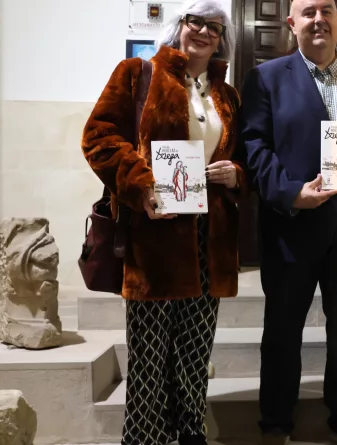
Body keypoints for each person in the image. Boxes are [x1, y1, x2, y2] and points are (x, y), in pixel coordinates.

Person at [81, 1, 244, 444]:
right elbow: (98, 137)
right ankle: (144, 436)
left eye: (215, 27)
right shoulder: (138, 74)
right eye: (197, 22)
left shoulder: (227, 96)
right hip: (154, 234)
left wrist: (236, 174)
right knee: (150, 351)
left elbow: (242, 157)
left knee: (195, 348)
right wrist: (142, 186)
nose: (204, 32)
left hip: (210, 238)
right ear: (180, 25)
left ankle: (190, 430)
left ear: (222, 40)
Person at [238, 0, 337, 444]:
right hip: (292, 227)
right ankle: (275, 423)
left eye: (326, 10)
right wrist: (291, 193)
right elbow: (254, 148)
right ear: (292, 23)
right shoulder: (266, 78)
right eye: (308, 12)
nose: (318, 20)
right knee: (282, 332)